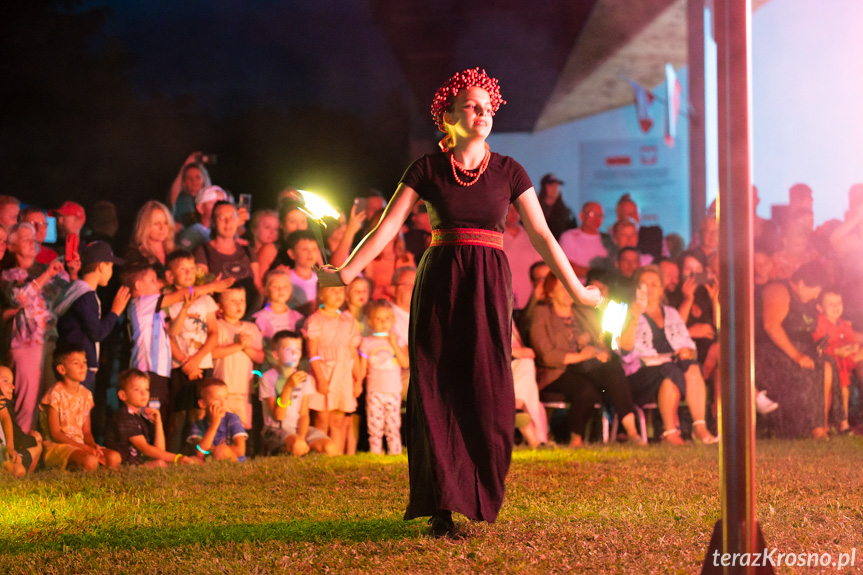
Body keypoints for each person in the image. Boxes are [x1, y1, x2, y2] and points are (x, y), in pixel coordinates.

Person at [317, 69, 600, 536]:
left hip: (488, 283)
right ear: (446, 115)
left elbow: (544, 236)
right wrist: (345, 271)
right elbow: (386, 229)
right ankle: (441, 506)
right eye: (471, 105)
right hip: (440, 280)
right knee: (435, 388)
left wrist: (577, 290)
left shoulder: (510, 171)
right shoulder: (426, 169)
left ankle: (476, 491)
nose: (482, 113)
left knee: (487, 387)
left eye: (488, 107)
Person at [529, 270, 643, 446]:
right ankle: (576, 439)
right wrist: (581, 355)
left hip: (587, 366)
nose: (568, 292)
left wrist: (599, 351)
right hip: (559, 370)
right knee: (585, 389)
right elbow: (546, 354)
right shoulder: (542, 313)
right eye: (562, 288)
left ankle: (632, 431)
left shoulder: (581, 312)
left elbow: (600, 338)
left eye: (569, 288)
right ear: (550, 292)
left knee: (613, 369)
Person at [617, 265, 718, 445]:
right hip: (640, 372)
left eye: (654, 284)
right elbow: (623, 349)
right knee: (669, 370)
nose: (649, 289)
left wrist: (689, 351)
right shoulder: (626, 311)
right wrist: (633, 317)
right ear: (636, 288)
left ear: (662, 287)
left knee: (692, 366)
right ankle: (670, 433)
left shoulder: (670, 313)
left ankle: (700, 427)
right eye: (644, 284)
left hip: (670, 367)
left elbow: (688, 343)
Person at [1, 224, 69, 433]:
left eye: (33, 238)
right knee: (27, 405)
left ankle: (45, 452)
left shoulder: (42, 273)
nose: (33, 243)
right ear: (11, 246)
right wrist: (47, 275)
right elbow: (17, 297)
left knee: (48, 401)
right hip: (25, 345)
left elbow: (63, 298)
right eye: (25, 239)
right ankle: (22, 453)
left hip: (48, 343)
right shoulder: (8, 276)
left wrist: (70, 273)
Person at [163, 250, 228, 451]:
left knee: (198, 413)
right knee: (179, 415)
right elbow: (167, 336)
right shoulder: (168, 300)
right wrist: (185, 362)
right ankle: (174, 455)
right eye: (183, 269)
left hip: (202, 365)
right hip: (178, 366)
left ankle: (197, 453)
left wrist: (196, 360)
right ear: (170, 275)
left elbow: (214, 334)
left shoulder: (205, 300)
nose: (189, 273)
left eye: (192, 268)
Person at [55, 241, 129, 392]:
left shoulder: (77, 288)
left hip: (74, 363)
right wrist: (115, 312)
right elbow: (96, 333)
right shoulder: (87, 295)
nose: (111, 271)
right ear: (102, 266)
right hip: (80, 366)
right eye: (111, 266)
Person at [39, 344, 122, 471]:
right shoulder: (55, 393)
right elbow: (55, 434)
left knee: (114, 457)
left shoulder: (86, 394)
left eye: (84, 362)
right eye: (76, 363)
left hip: (81, 445)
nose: (83, 366)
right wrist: (85, 449)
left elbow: (86, 432)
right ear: (62, 369)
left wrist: (92, 445)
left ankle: (104, 485)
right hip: (59, 446)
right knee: (90, 460)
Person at [258, 330, 337, 456]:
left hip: (298, 428)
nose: (295, 353)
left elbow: (304, 414)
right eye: (289, 349)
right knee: (298, 445)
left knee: (330, 447)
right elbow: (278, 416)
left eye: (298, 349)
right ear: (276, 355)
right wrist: (288, 387)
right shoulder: (268, 378)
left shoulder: (305, 379)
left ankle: (305, 452)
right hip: (276, 430)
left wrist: (302, 436)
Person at [304, 284, 361, 454]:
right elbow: (312, 353)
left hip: (343, 375)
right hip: (324, 373)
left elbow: (352, 352)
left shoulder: (348, 319)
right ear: (321, 294)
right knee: (322, 417)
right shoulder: (315, 319)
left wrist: (358, 379)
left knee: (339, 418)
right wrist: (320, 379)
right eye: (332, 290)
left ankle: (338, 456)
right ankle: (323, 453)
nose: (337, 294)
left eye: (340, 291)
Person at [105, 369, 199, 466]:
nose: (143, 393)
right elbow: (144, 448)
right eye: (137, 389)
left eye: (146, 389)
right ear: (123, 395)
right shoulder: (124, 417)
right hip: (124, 466)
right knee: (160, 464)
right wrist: (177, 458)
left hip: (138, 465)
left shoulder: (141, 418)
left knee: (161, 463)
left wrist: (158, 423)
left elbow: (159, 451)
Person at [358, 300, 408, 455]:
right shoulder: (367, 343)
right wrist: (358, 384)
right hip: (374, 391)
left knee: (393, 425)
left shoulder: (397, 341)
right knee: (375, 425)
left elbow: (405, 362)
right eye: (378, 319)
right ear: (371, 321)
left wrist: (393, 343)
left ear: (393, 320)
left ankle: (395, 451)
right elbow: (362, 368)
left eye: (387, 318)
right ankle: (376, 452)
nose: (383, 322)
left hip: (393, 391)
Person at [211, 286, 264, 430]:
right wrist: (238, 345)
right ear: (220, 307)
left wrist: (247, 348)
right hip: (221, 389)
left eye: (242, 300)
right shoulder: (217, 326)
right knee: (220, 425)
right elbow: (211, 353)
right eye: (232, 301)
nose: (239, 304)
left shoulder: (251, 328)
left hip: (243, 389)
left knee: (241, 426)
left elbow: (260, 357)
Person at [194, 200, 260, 316]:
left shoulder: (247, 250)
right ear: (214, 222)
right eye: (221, 218)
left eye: (231, 217)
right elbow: (203, 289)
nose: (227, 222)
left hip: (249, 316)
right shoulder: (203, 251)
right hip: (220, 318)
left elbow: (258, 287)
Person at [811, 287, 858, 434]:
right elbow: (818, 346)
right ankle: (824, 424)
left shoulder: (843, 324)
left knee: (844, 392)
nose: (836, 307)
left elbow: (851, 339)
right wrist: (835, 351)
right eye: (831, 304)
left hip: (842, 366)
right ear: (820, 307)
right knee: (828, 395)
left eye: (839, 303)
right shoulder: (819, 323)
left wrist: (852, 346)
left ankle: (843, 424)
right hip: (828, 366)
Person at [253, 269, 305, 369]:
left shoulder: (298, 318)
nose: (281, 290)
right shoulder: (259, 318)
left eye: (285, 287)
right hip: (270, 368)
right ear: (266, 290)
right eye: (275, 287)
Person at [187, 378, 248, 462]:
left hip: (233, 462)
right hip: (209, 461)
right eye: (216, 399)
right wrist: (214, 425)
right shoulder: (198, 424)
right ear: (203, 404)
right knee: (192, 460)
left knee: (221, 451)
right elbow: (200, 452)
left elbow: (240, 450)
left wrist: (213, 450)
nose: (223, 403)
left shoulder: (232, 419)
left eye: (225, 398)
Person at [0, 366, 42, 476]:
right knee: (18, 470)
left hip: (4, 452)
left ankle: (25, 472)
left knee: (37, 448)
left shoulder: (2, 405)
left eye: (12, 382)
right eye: (5, 381)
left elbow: (6, 419)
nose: (12, 386)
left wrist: (10, 448)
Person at [558, 201, 613, 279]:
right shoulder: (569, 237)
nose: (596, 218)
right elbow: (567, 267)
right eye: (592, 214)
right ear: (581, 216)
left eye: (600, 215)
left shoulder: (607, 240)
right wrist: (598, 274)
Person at [502, 204, 541, 311]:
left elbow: (540, 268)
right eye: (509, 209)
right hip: (502, 300)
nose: (514, 214)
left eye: (517, 210)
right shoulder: (494, 237)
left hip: (528, 302)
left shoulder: (531, 236)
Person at [125, 201, 176, 279]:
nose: (162, 228)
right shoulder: (135, 255)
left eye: (166, 223)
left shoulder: (174, 251)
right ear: (145, 226)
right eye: (156, 224)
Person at [176, 185, 228, 254]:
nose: (220, 208)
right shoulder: (193, 233)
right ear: (201, 208)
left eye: (222, 204)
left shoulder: (226, 232)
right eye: (214, 203)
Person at [537, 174, 578, 239]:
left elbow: (573, 233)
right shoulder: (535, 210)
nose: (554, 188)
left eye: (556, 186)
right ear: (544, 187)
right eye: (551, 185)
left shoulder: (566, 213)